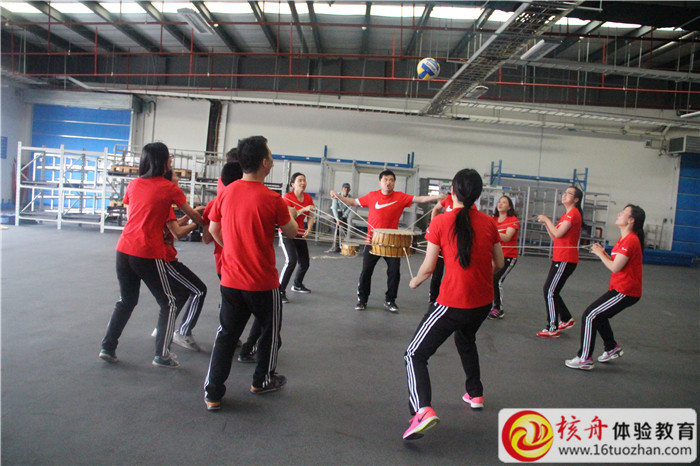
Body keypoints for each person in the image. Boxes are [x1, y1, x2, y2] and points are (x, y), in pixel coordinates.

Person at [402, 169, 504, 440]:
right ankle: (475, 392)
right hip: (482, 304)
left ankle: (421, 411)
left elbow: (427, 269)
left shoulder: (441, 222)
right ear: (478, 194)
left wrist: (414, 282)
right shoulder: (489, 223)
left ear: (453, 192)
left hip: (452, 304)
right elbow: (499, 263)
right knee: (465, 339)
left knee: (414, 355)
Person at [203, 135, 298, 411]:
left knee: (226, 335)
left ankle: (213, 393)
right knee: (270, 332)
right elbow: (292, 231)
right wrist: (291, 213)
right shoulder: (273, 199)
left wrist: (234, 248)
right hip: (262, 283)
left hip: (231, 280)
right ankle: (262, 380)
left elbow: (213, 229)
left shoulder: (226, 192)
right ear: (265, 163)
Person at [100, 142, 203, 368]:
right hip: (147, 252)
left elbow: (133, 218)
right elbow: (192, 214)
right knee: (169, 302)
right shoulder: (169, 188)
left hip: (124, 249)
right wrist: (206, 221)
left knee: (126, 300)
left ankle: (107, 346)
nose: (171, 161)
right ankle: (162, 355)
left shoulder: (134, 184)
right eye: (169, 157)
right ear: (162, 161)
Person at [331, 170, 442, 313]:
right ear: (380, 182)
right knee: (366, 271)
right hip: (372, 241)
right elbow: (353, 202)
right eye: (385, 180)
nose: (388, 182)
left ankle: (390, 300)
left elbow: (419, 199)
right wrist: (338, 196)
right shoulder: (372, 196)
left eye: (391, 180)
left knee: (394, 272)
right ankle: (362, 300)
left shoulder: (400, 197)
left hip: (392, 242)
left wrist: (437, 196)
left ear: (394, 182)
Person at [565, 205, 645, 371]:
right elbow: (618, 263)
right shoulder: (624, 239)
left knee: (590, 315)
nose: (619, 214)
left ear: (631, 220)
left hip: (626, 290)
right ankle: (611, 347)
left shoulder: (630, 240)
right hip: (620, 288)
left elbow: (615, 267)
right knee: (599, 316)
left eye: (623, 213)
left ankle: (584, 358)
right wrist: (603, 252)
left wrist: (600, 254)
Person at [159, 170, 208, 352]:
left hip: (163, 256)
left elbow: (170, 226)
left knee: (179, 294)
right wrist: (198, 222)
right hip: (166, 259)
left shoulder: (163, 203)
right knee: (199, 290)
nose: (178, 179)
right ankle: (183, 332)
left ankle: (162, 328)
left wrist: (188, 217)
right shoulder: (164, 204)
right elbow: (177, 233)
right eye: (175, 176)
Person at [536, 186, 584, 338]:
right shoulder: (566, 215)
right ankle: (566, 318)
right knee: (552, 290)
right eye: (564, 192)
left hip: (566, 258)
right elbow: (555, 236)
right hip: (560, 257)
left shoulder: (573, 214)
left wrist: (547, 220)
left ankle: (552, 327)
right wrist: (547, 225)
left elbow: (558, 233)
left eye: (569, 193)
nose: (564, 195)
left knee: (549, 291)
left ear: (576, 199)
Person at [278, 172, 315, 304]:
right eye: (300, 180)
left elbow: (311, 216)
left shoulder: (308, 198)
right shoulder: (287, 198)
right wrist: (303, 209)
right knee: (291, 261)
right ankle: (280, 291)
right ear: (293, 184)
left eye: (304, 180)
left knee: (305, 262)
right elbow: (289, 216)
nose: (303, 183)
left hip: (299, 233)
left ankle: (297, 284)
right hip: (287, 232)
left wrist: (309, 229)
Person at [489, 195, 519, 319]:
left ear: (509, 207)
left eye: (504, 202)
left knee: (497, 279)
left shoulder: (513, 220)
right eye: (499, 202)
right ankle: (487, 304)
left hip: (508, 256)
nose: (500, 204)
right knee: (487, 279)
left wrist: (493, 232)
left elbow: (507, 237)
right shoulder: (493, 219)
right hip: (493, 256)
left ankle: (498, 308)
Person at [428, 193, 454, 304]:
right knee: (437, 272)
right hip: (442, 241)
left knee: (453, 274)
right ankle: (433, 297)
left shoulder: (469, 205)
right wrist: (433, 225)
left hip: (454, 245)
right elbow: (435, 209)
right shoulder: (447, 199)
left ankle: (449, 298)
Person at [328, 182, 352, 253]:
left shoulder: (350, 198)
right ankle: (336, 247)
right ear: (342, 189)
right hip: (335, 212)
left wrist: (343, 216)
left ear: (349, 190)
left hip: (343, 213)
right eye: (345, 188)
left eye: (347, 188)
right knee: (335, 229)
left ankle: (342, 245)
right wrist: (337, 219)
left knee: (344, 229)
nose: (346, 189)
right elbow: (334, 208)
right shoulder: (337, 195)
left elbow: (349, 208)